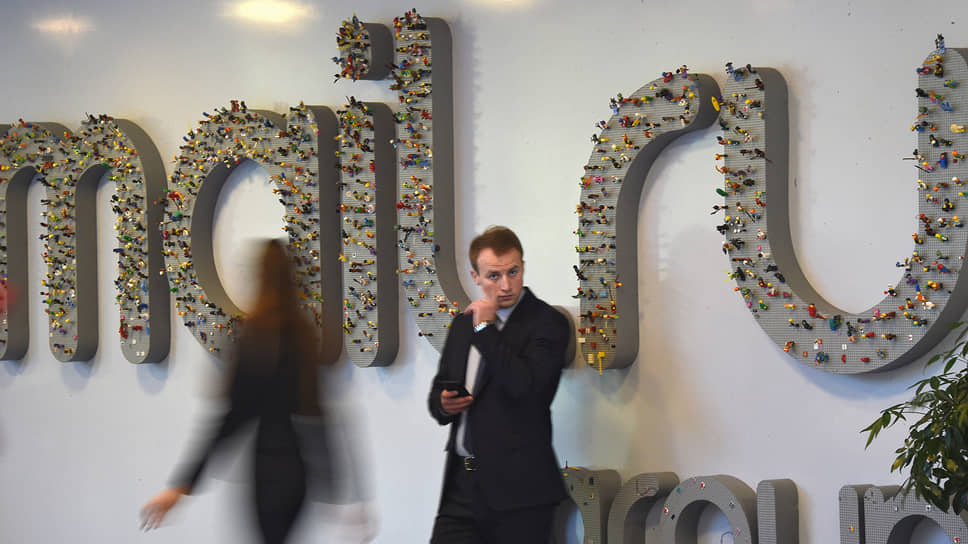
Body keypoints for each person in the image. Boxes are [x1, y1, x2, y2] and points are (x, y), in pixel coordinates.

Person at [141, 239, 325, 543]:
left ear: (260, 277)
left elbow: (231, 419)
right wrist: (344, 490)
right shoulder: (303, 336)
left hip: (266, 468)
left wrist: (183, 485)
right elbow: (318, 415)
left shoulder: (255, 336)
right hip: (298, 469)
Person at [428, 226, 570, 543]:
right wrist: (443, 403)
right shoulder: (463, 324)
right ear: (475, 277)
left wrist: (485, 330)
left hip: (520, 494)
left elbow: (527, 390)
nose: (506, 285)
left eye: (513, 272)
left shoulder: (548, 323)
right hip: (462, 486)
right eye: (494, 275)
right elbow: (437, 393)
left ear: (523, 267)